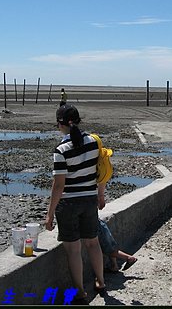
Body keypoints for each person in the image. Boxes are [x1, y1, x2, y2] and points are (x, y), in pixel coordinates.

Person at [45, 104, 106, 304]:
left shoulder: (61, 149)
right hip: (89, 200)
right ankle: (101, 281)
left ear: (60, 124)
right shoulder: (93, 142)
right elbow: (101, 172)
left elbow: (58, 186)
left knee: (73, 250)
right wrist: (100, 195)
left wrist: (49, 214)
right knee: (93, 243)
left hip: (69, 205)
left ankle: (80, 291)